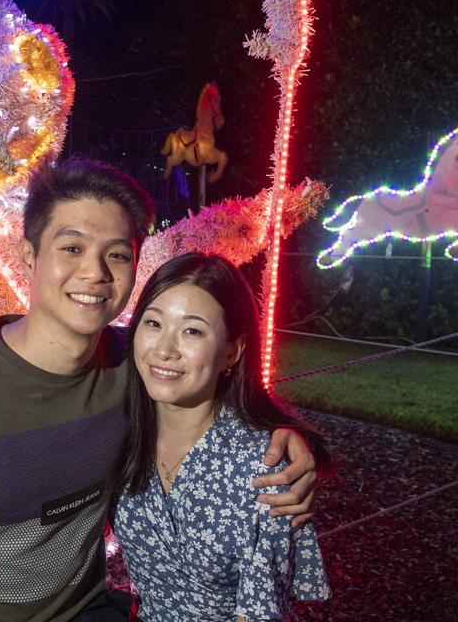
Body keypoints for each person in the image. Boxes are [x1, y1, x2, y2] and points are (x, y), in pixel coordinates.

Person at [0, 159, 321, 622]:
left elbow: (208, 395)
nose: (95, 272)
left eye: (116, 254)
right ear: (29, 256)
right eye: (71, 248)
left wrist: (284, 442)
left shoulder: (134, 364)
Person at [113, 252, 331, 620]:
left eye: (192, 331)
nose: (164, 350)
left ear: (233, 350)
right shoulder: (120, 433)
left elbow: (260, 613)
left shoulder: (266, 469)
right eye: (153, 323)